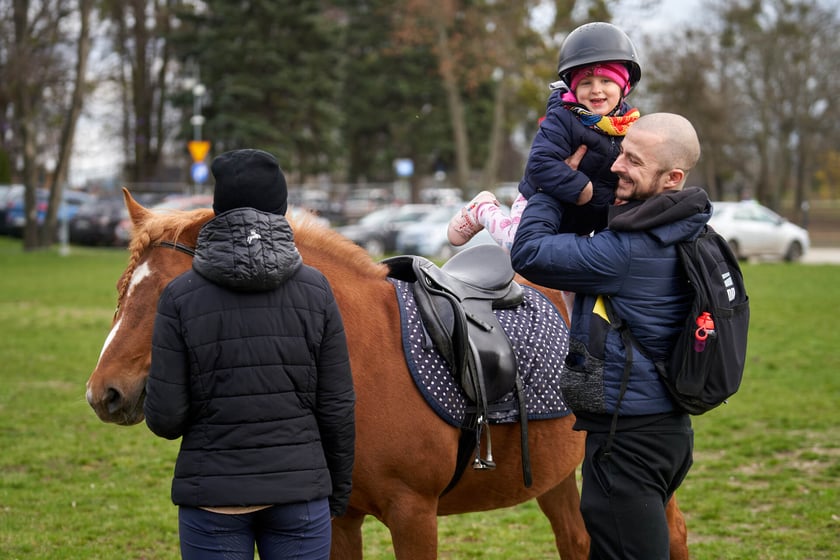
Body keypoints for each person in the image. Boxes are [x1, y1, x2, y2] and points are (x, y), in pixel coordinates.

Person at [510, 112, 705, 560]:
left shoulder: (628, 251)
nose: (617, 166)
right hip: (665, 428)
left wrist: (551, 187)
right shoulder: (687, 226)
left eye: (634, 161)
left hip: (628, 441)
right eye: (621, 153)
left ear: (672, 177)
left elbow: (529, 252)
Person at [143, 149, 356, 560]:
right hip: (301, 496)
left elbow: (165, 419)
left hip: (213, 499)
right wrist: (337, 490)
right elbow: (337, 406)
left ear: (217, 210)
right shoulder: (317, 289)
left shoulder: (179, 297)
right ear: (281, 208)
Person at [447, 21, 642, 251]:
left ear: (624, 87)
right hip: (542, 199)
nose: (596, 90)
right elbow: (539, 163)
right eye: (586, 83)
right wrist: (579, 186)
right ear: (573, 89)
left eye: (606, 81)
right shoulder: (563, 117)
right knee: (516, 243)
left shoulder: (631, 127)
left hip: (586, 215)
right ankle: (483, 210)